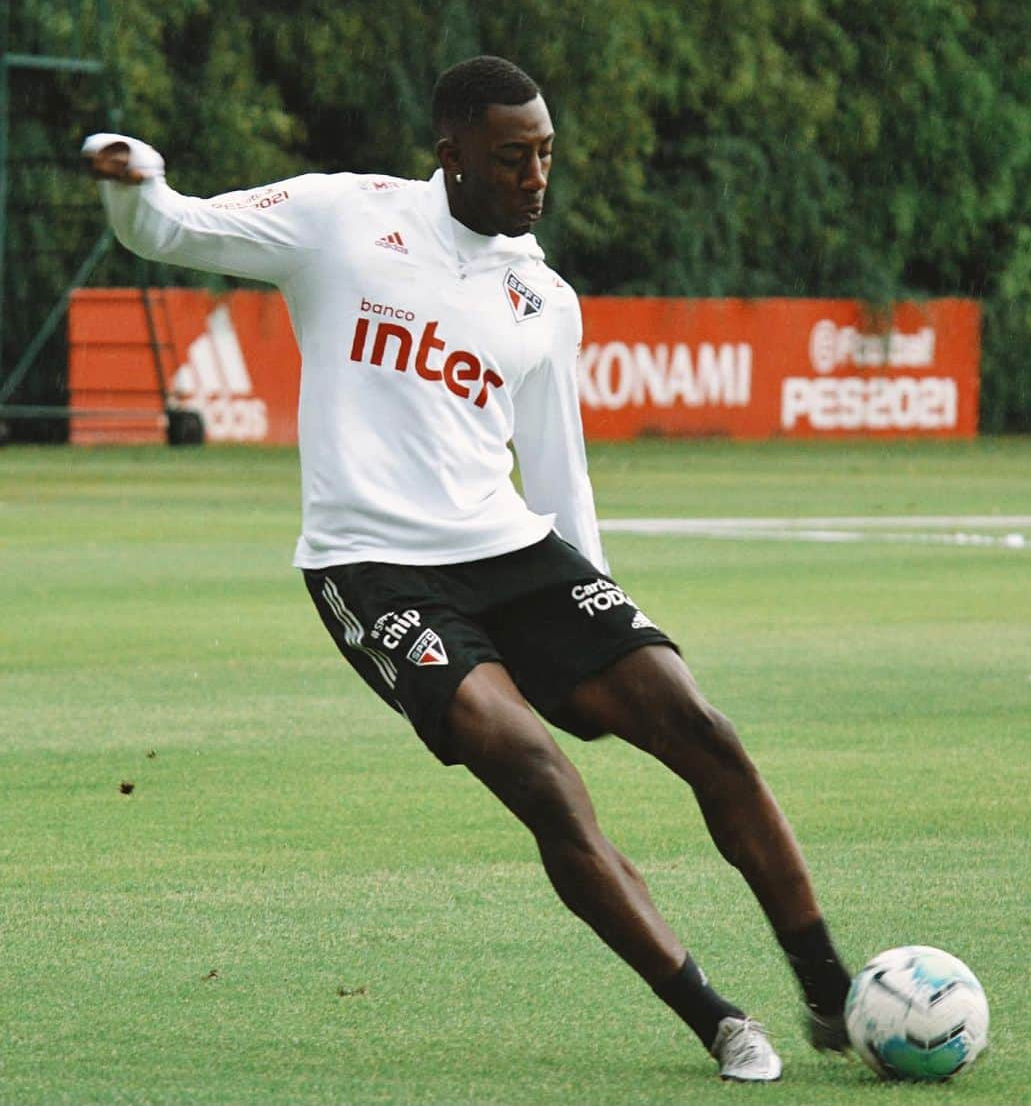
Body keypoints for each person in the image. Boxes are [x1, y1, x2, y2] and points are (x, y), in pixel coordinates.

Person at [83, 54, 851, 1082]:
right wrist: (134, 178)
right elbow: (166, 228)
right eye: (512, 158)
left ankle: (835, 993)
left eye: (545, 154)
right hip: (374, 571)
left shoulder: (543, 297)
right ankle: (716, 1018)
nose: (537, 177)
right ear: (451, 157)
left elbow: (559, 473)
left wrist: (615, 609)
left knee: (705, 732)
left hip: (516, 555)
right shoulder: (340, 219)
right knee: (543, 778)